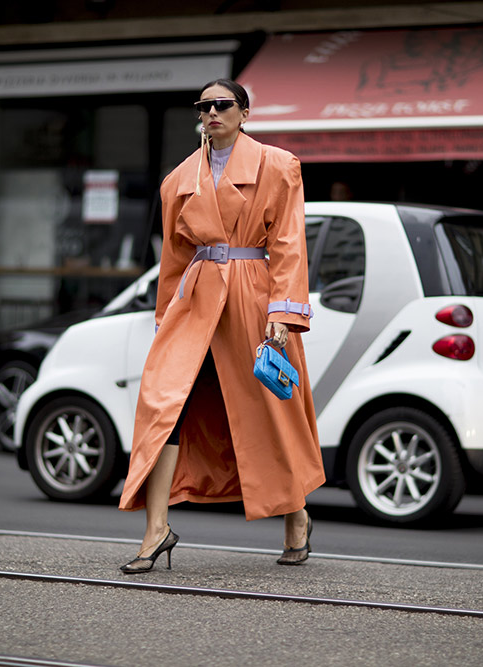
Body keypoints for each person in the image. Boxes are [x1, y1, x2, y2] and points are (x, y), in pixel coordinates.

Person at [117, 78, 324, 573]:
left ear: (244, 113)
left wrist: (283, 315)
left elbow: (290, 244)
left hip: (252, 299)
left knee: (267, 413)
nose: (212, 113)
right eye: (204, 106)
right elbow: (173, 258)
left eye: (222, 104)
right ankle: (156, 530)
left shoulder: (278, 165)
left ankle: (296, 516)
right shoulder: (178, 180)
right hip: (195, 303)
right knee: (165, 405)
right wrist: (166, 317)